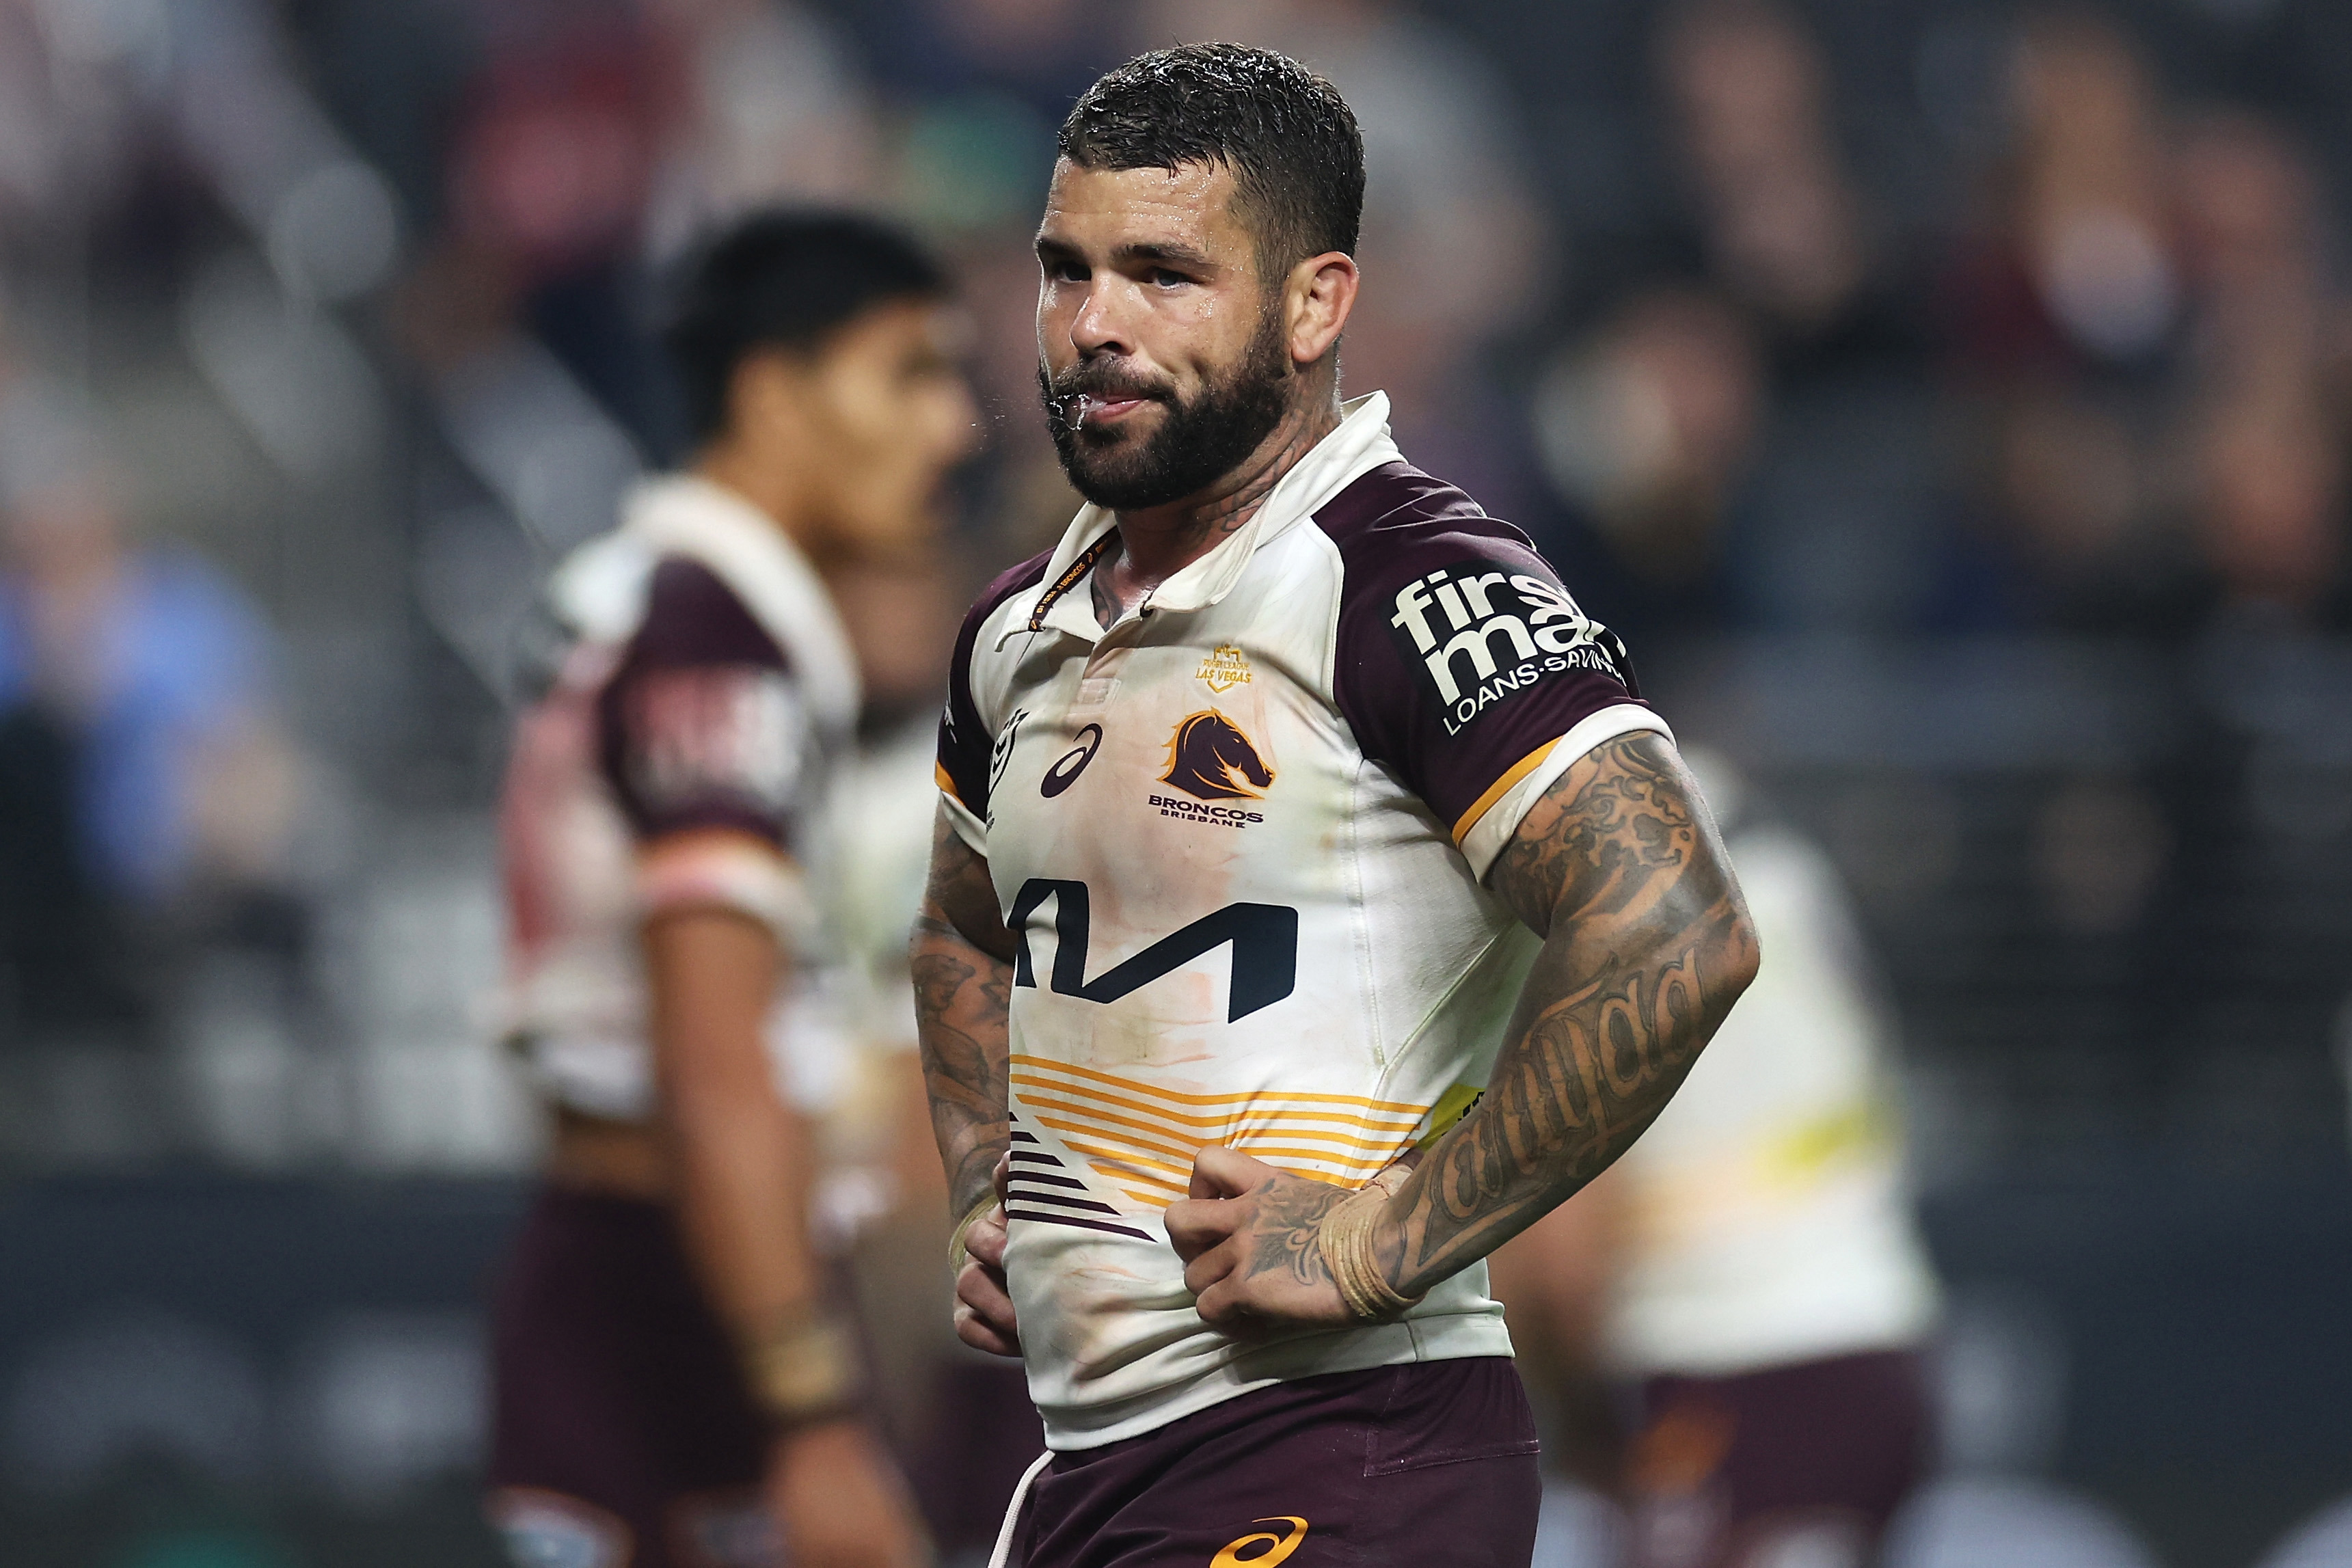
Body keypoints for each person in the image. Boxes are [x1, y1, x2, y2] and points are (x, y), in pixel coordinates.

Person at [912, 44, 1760, 1567]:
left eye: (1164, 274)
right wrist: (994, 1184)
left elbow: (1678, 934)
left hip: (1354, 1446)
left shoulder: (1411, 579)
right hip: (1089, 1474)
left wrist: (1388, 1236)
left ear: (1315, 304)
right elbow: (963, 936)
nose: (1091, 324)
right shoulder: (1013, 630)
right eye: (1065, 270)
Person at [486, 210, 977, 1568]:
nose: (952, 428)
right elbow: (713, 1064)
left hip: (621, 1273)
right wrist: (813, 1413)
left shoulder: (633, 592)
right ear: (772, 391)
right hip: (690, 1307)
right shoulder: (722, 646)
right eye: (909, 374)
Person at [1490, 755, 1941, 1568]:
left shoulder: (1558, 882)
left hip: (1724, 1373)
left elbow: (1558, 1252)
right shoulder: (1760, 836)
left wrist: (1579, 1425)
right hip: (1879, 1339)